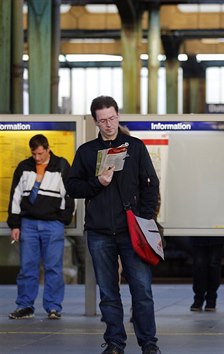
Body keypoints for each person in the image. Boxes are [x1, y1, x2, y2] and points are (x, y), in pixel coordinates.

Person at [66, 95, 161, 354]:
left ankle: (148, 343)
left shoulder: (135, 147)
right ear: (95, 121)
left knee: (142, 290)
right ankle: (115, 342)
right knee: (108, 293)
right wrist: (98, 183)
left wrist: (144, 219)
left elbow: (151, 185)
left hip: (132, 231)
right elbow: (72, 187)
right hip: (99, 233)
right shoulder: (86, 152)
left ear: (118, 116)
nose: (108, 124)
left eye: (112, 118)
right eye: (102, 120)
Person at [7, 134, 75, 320]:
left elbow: (70, 196)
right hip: (28, 224)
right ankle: (25, 306)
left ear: (47, 149)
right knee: (27, 267)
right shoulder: (24, 167)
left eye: (40, 153)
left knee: (53, 267)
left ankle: (53, 307)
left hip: (53, 224)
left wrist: (62, 219)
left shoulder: (61, 166)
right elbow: (15, 196)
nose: (37, 158)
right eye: (34, 154)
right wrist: (15, 223)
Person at [190, 237, 224, 312]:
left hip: (212, 233)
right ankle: (205, 299)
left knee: (209, 265)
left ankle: (206, 299)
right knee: (202, 265)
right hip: (205, 233)